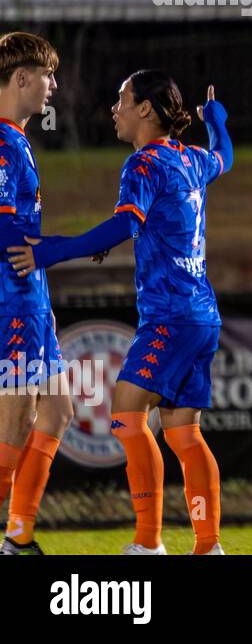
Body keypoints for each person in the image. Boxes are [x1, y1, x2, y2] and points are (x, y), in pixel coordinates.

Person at [10, 71, 233, 555]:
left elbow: (123, 225)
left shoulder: (144, 164)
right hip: (203, 315)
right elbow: (224, 158)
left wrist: (51, 251)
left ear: (146, 110)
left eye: (121, 99)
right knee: (184, 432)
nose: (114, 108)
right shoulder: (191, 158)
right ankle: (209, 545)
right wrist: (217, 123)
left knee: (128, 416)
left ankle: (148, 543)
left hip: (169, 316)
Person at [0, 33, 71, 556]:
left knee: (58, 410)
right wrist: (60, 247)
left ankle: (18, 536)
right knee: (16, 419)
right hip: (11, 299)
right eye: (47, 76)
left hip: (32, 298)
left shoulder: (19, 140)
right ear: (22, 78)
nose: (53, 86)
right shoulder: (2, 143)